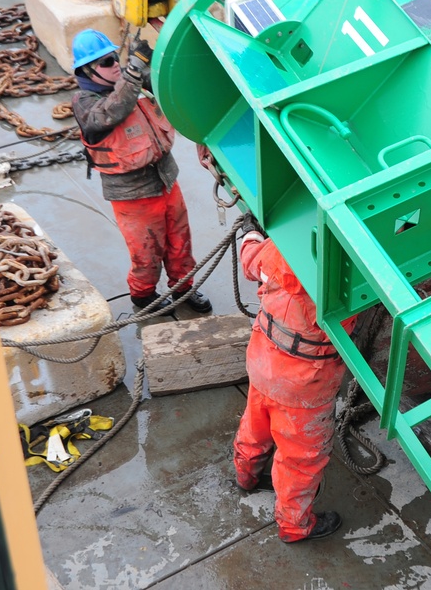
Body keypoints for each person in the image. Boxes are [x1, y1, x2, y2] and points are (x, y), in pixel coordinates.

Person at [233, 211, 355, 542]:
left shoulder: (285, 248)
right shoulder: (352, 270)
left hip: (263, 360)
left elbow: (250, 262)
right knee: (301, 459)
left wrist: (250, 233)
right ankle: (293, 526)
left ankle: (246, 474)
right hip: (305, 382)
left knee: (255, 422)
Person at [70, 29, 211, 315]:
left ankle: (183, 288)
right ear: (87, 71)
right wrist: (132, 73)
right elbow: (112, 111)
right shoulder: (84, 103)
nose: (115, 66)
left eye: (115, 59)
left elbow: (165, 88)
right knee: (146, 253)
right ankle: (143, 296)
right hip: (132, 194)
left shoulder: (130, 84)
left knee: (180, 242)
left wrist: (147, 67)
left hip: (165, 179)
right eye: (106, 62)